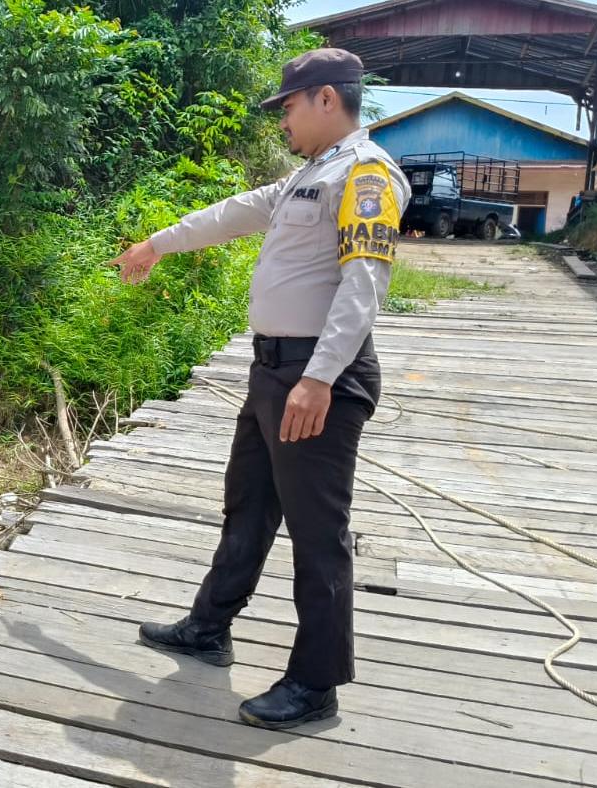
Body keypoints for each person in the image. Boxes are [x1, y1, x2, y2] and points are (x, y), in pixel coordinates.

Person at [105, 48, 408, 730]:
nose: (283, 123)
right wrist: (157, 243)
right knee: (248, 505)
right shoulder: (312, 174)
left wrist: (319, 379)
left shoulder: (366, 176)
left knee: (318, 534)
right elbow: (234, 211)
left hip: (315, 377)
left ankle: (315, 684)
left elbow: (364, 286)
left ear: (327, 99)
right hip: (275, 371)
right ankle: (210, 628)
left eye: (291, 108)